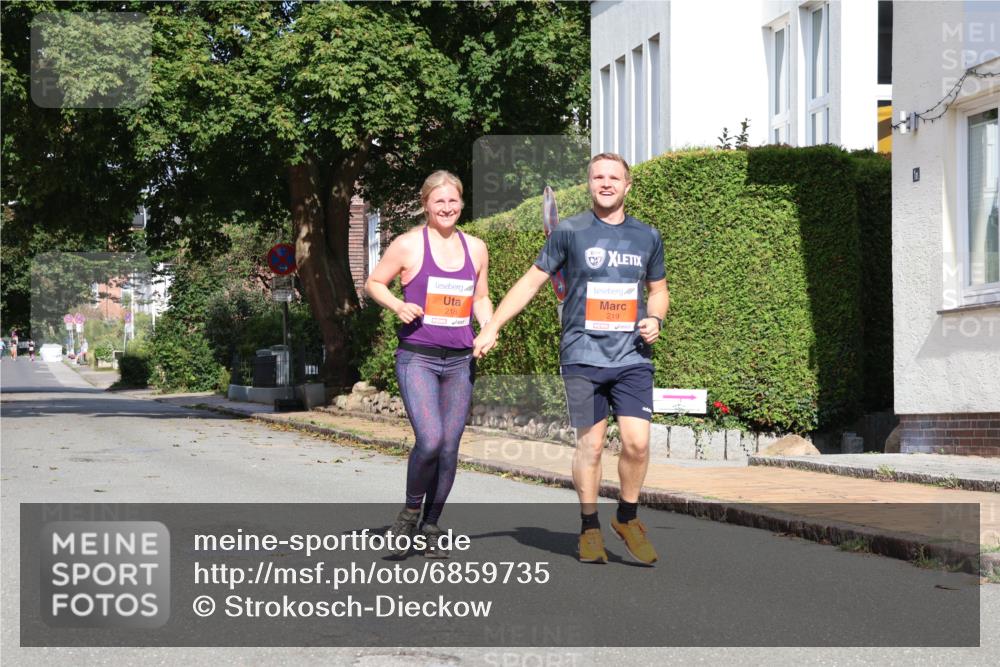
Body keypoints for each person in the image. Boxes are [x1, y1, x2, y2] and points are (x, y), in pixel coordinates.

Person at [473, 153, 669, 565]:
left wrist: (655, 318)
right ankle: (590, 527)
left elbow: (658, 290)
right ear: (589, 184)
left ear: (628, 185)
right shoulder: (569, 231)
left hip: (632, 355)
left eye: (614, 177)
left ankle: (627, 518)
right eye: (598, 177)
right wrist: (493, 326)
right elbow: (531, 282)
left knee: (637, 443)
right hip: (582, 354)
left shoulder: (647, 236)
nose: (606, 183)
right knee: (591, 446)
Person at [365, 170, 493, 559]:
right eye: (439, 201)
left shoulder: (476, 248)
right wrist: (398, 305)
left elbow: (480, 297)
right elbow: (374, 283)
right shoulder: (408, 245)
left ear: (461, 203)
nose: (447, 207)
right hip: (418, 357)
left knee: (450, 448)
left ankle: (431, 525)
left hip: (459, 360)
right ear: (426, 205)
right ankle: (409, 514)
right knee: (431, 439)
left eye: (453, 200)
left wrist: (488, 328)